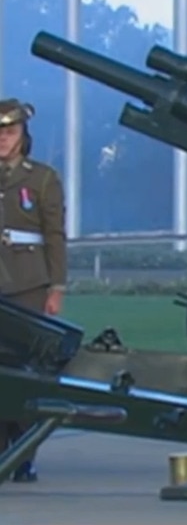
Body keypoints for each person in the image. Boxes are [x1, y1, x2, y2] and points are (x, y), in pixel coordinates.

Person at [0, 99, 67, 483]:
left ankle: (24, 454)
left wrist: (56, 287)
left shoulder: (41, 178)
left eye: (10, 132)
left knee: (25, 371)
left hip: (28, 284)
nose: (3, 139)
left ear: (23, 136)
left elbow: (54, 236)